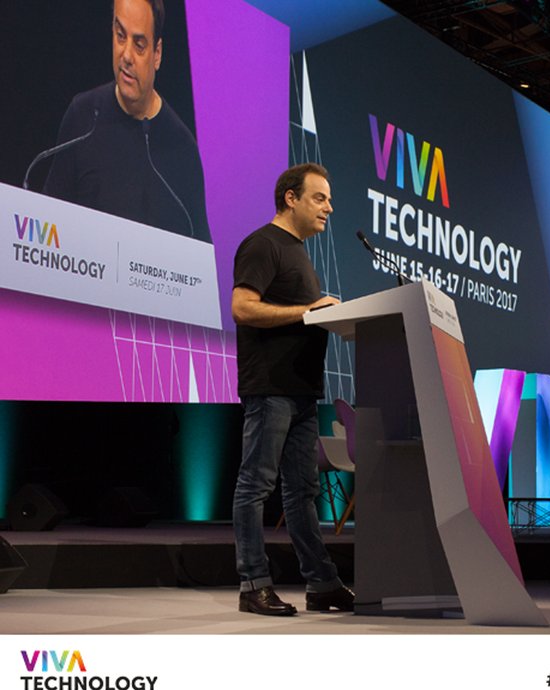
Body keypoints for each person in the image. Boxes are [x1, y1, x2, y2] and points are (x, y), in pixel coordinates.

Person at [231, 163, 354, 616]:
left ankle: (322, 584)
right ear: (291, 198)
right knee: (255, 485)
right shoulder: (263, 244)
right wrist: (308, 312)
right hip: (271, 388)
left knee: (302, 491)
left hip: (302, 391)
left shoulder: (298, 252)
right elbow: (243, 308)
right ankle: (253, 584)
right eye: (319, 198)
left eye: (329, 200)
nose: (329, 208)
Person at [43, 0, 211, 243]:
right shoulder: (83, 116)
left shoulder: (182, 149)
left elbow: (199, 252)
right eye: (120, 36)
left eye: (139, 45)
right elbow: (47, 225)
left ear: (157, 54)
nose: (126, 55)